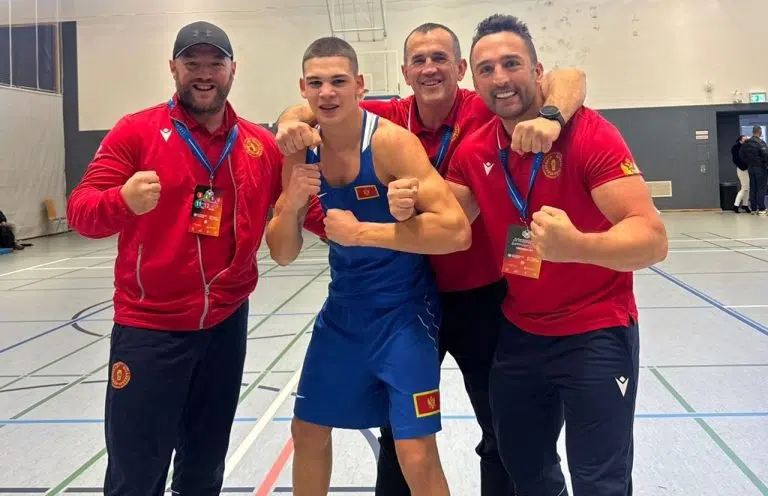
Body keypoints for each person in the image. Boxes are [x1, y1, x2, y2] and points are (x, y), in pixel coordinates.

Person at [275, 22, 587, 496]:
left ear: (460, 69)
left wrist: (551, 117)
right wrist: (289, 121)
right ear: (404, 73)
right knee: (399, 436)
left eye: (439, 58)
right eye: (418, 60)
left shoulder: (486, 105)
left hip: (482, 292)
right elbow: (322, 99)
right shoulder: (392, 116)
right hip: (409, 290)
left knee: (505, 430)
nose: (429, 68)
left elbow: (569, 76)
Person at [440, 14, 667, 496]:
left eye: (512, 64)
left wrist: (577, 245)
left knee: (600, 483)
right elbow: (445, 224)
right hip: (520, 334)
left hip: (596, 330)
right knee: (526, 473)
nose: (500, 78)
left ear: (538, 70)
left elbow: (652, 239)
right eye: (486, 69)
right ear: (473, 81)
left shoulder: (589, 134)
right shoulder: (476, 150)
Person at [66, 21, 285, 495]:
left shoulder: (258, 145)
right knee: (136, 474)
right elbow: (80, 211)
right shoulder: (136, 132)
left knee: (204, 468)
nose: (204, 74)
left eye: (215, 63)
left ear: (233, 70)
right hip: (151, 328)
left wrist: (377, 225)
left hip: (225, 325)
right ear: (173, 68)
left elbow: (308, 210)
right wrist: (121, 201)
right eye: (192, 63)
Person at [266, 36, 471, 496]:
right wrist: (291, 204)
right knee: (307, 431)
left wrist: (361, 233)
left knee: (415, 451)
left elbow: (457, 231)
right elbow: (282, 253)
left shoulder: (390, 143)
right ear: (302, 88)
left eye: (339, 81)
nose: (327, 93)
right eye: (316, 83)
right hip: (343, 313)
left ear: (360, 85)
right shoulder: (301, 149)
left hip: (404, 313)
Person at [738, 126, 768, 215]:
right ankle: (761, 209)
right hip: (760, 168)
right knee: (761, 188)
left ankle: (753, 209)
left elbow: (741, 154)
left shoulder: (746, 143)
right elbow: (766, 155)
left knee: (753, 188)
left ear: (753, 132)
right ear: (760, 132)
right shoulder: (761, 143)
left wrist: (748, 162)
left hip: (750, 168)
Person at [731, 135, 750, 213]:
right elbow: (735, 159)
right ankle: (736, 205)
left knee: (747, 188)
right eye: (744, 139)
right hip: (742, 169)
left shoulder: (746, 148)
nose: (746, 141)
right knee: (745, 188)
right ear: (740, 140)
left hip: (747, 169)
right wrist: (744, 166)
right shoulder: (736, 148)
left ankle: (745, 205)